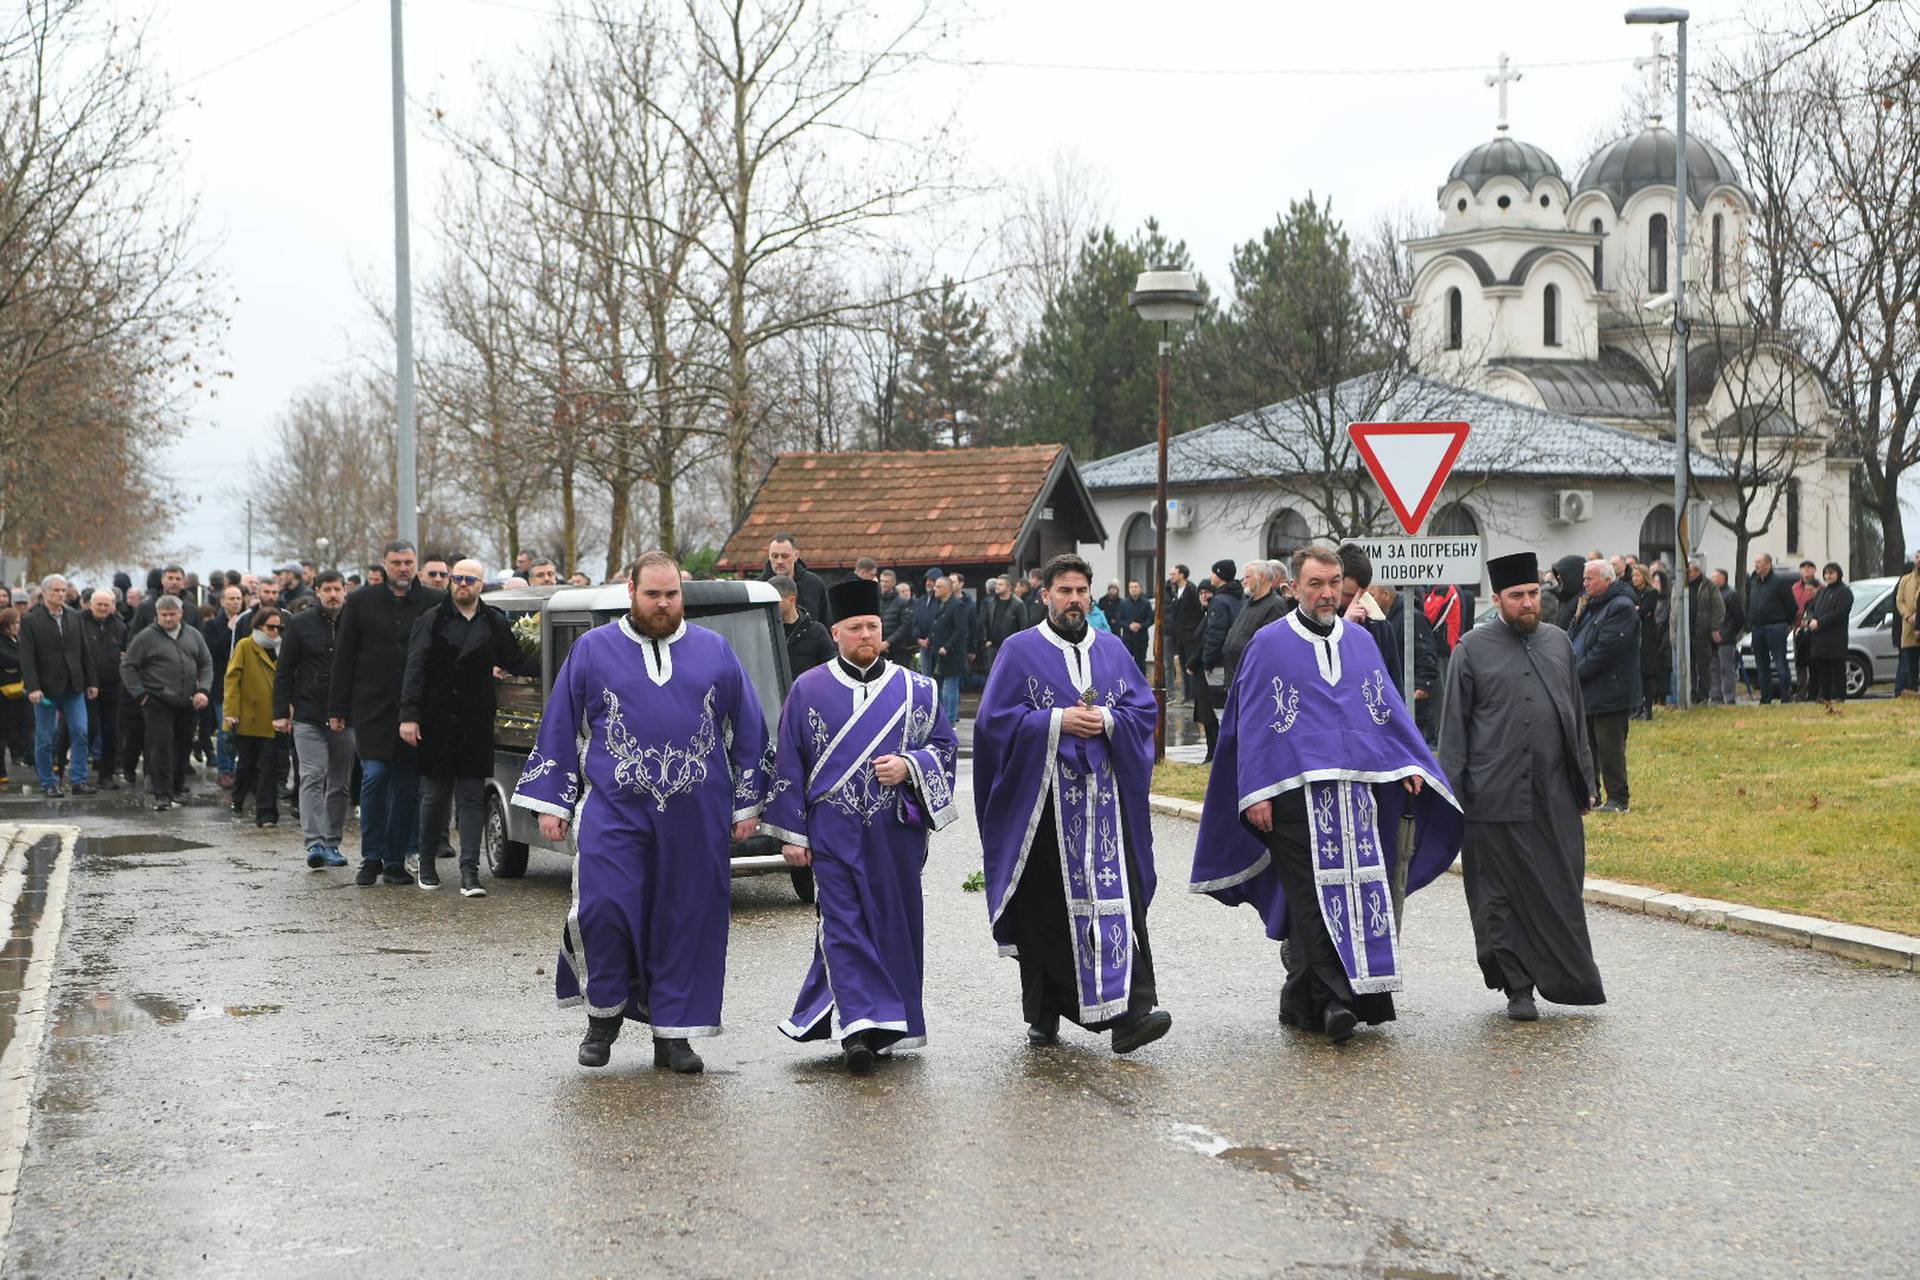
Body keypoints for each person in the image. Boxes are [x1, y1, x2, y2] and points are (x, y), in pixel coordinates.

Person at [1190, 545, 1464, 1044]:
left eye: (1334, 582)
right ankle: (1336, 1001)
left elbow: (1383, 710)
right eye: (1316, 583)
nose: (1327, 593)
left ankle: (1309, 999)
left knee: (1361, 890)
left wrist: (1408, 763)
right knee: (1310, 897)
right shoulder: (1269, 644)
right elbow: (1249, 723)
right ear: (1294, 587)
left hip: (1357, 798)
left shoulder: (1359, 641)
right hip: (1293, 796)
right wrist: (1255, 791)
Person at [511, 551, 769, 1073]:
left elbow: (750, 729)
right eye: (653, 594)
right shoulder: (593, 649)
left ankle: (672, 1036)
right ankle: (603, 1017)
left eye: (672, 595)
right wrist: (552, 802)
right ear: (631, 591)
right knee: (604, 909)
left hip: (696, 818)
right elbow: (560, 722)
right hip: (615, 811)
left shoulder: (715, 651)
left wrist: (748, 803)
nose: (663, 604)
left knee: (684, 920)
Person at [971, 553, 1172, 1055]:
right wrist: (1056, 720)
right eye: (1064, 591)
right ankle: (1043, 1015)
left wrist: (1106, 719)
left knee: (1116, 903)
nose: (1075, 600)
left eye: (1082, 591)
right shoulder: (1019, 651)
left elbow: (1141, 708)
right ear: (1045, 596)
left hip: (1104, 806)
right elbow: (995, 723)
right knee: (1045, 914)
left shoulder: (1111, 649)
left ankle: (1131, 1014)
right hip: (1043, 809)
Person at [765, 578, 959, 1074]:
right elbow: (790, 764)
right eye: (856, 627)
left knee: (893, 927)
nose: (867, 635)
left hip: (894, 836)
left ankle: (883, 1026)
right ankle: (857, 1030)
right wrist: (793, 836)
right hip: (833, 835)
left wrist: (911, 767)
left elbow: (944, 749)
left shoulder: (918, 690)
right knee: (844, 928)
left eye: (873, 626)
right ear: (837, 632)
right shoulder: (807, 689)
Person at [1439, 551, 1607, 1021]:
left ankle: (1564, 978)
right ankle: (1517, 985)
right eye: (1517, 597)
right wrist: (1450, 797)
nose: (1528, 604)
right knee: (1499, 897)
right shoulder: (1471, 648)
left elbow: (1576, 717)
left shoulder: (1557, 642)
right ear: (1497, 600)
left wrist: (1585, 782)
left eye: (1533, 594)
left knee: (1559, 888)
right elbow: (1454, 730)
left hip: (1553, 795)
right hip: (1492, 795)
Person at [399, 559, 538, 895]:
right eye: (457, 578)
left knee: (472, 797)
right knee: (434, 796)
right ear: (449, 582)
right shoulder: (430, 620)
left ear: (481, 584)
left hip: (475, 719)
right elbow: (414, 668)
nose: (462, 584)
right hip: (436, 718)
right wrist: (409, 715)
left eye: (469, 580)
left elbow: (515, 660)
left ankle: (469, 873)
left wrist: (560, 660)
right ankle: (428, 864)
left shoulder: (492, 621)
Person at [329, 540, 446, 886]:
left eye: (408, 562)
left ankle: (395, 859)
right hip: (371, 707)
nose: (403, 568)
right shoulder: (361, 602)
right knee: (375, 776)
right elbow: (345, 656)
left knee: (407, 785)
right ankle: (371, 856)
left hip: (416, 708)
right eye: (396, 562)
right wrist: (337, 707)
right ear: (384, 564)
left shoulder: (433, 602)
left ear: (416, 564)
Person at [276, 571, 353, 869]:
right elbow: (285, 669)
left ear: (345, 590)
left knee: (340, 782)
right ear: (317, 591)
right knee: (312, 775)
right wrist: (281, 712)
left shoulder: (354, 623)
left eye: (338, 589)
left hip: (346, 715)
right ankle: (315, 843)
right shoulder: (299, 624)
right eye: (327, 590)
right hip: (308, 714)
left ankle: (332, 841)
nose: (333, 594)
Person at [120, 595, 212, 811]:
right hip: (157, 699)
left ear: (181, 614)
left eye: (172, 614)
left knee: (183, 744)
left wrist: (204, 690)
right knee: (160, 746)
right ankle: (162, 793)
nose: (169, 619)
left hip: (188, 699)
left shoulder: (193, 634)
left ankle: (178, 789)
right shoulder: (145, 638)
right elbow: (128, 666)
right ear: (157, 615)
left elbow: (206, 663)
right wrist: (140, 695)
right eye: (164, 615)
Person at [1568, 559, 1639, 813]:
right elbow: (1574, 639)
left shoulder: (1621, 607)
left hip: (1611, 690)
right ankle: (1592, 795)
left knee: (1610, 747)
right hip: (1589, 690)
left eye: (1590, 579)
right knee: (1587, 746)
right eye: (1584, 579)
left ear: (1608, 580)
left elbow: (1606, 651)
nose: (1585, 583)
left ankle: (1618, 799)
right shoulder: (1590, 606)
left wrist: (1575, 673)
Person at [19, 575, 96, 798]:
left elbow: (84, 651)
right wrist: (32, 687)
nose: (61, 594)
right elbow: (27, 658)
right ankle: (48, 782)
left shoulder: (75, 616)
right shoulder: (31, 620)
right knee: (46, 737)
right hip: (46, 689)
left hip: (74, 686)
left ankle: (79, 780)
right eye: (55, 590)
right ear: (44, 593)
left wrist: (91, 681)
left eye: (63, 590)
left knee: (81, 731)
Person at [224, 606, 285, 827]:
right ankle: (238, 799)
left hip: (273, 718)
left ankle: (267, 814)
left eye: (279, 627)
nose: (275, 631)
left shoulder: (282, 648)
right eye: (271, 627)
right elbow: (232, 679)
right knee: (247, 764)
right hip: (248, 716)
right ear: (259, 626)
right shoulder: (245, 645)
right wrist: (231, 711)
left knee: (269, 766)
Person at [1190, 559, 1243, 762]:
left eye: (1213, 573)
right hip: (1231, 661)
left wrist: (1207, 661)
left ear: (1219, 575)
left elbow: (1215, 634)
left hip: (1217, 664)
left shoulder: (1220, 602)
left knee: (1219, 712)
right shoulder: (1237, 598)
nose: (1211, 577)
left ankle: (1222, 757)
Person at [81, 588, 127, 790]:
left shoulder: (119, 626)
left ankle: (105, 776)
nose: (102, 608)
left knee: (111, 733)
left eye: (106, 604)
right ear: (90, 605)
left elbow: (125, 653)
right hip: (86, 686)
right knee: (87, 731)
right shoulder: (79, 623)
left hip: (112, 686)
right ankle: (76, 773)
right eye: (99, 604)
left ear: (112, 606)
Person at [1746, 554, 1798, 704]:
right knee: (1762, 664)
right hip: (1757, 628)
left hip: (1775, 626)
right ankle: (1765, 697)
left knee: (1780, 662)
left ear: (1768, 564)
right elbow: (1749, 602)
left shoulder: (1779, 582)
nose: (1756, 565)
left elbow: (1791, 605)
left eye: (1759, 562)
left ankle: (1785, 696)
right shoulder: (1754, 582)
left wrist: (1787, 622)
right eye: (1755, 562)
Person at [1805, 562, 1853, 710]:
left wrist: (1820, 623)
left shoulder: (1844, 592)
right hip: (1820, 638)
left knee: (1837, 668)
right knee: (1822, 668)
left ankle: (1840, 696)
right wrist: (1811, 619)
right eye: (1826, 573)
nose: (1828, 576)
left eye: (1831, 573)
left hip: (1835, 637)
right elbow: (1811, 608)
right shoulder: (1821, 592)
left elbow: (1838, 613)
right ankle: (1824, 696)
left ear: (1838, 574)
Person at [926, 571, 972, 726]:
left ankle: (950, 720)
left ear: (947, 589)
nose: (934, 589)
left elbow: (961, 630)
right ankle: (941, 719)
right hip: (938, 653)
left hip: (952, 654)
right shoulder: (940, 604)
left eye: (938, 586)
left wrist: (947, 646)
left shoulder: (957, 606)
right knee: (938, 687)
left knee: (950, 687)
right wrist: (930, 640)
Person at [1682, 559, 1725, 705]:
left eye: (1690, 571)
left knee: (1703, 666)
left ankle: (1704, 694)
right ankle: (1691, 693)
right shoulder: (1682, 585)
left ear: (1697, 571)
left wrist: (1714, 627)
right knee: (1688, 665)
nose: (1687, 574)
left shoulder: (1709, 586)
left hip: (1702, 633)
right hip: (1686, 633)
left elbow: (1719, 609)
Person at [771, 574, 832, 677]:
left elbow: (831, 669)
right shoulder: (765, 631)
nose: (771, 606)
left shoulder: (816, 632)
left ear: (791, 600)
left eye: (775, 602)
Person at [762, 532, 828, 622]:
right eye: (775, 556)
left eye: (785, 556)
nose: (779, 561)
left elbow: (827, 622)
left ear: (796, 555)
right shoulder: (759, 587)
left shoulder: (814, 584)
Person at [1631, 565, 1669, 720]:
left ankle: (1648, 709)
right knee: (1637, 676)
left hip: (1647, 639)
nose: (1635, 579)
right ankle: (1638, 708)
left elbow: (1643, 611)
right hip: (1635, 639)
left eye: (1638, 576)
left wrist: (1637, 609)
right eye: (1633, 576)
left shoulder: (1651, 593)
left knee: (1647, 676)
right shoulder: (1633, 593)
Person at [0, 610, 30, 785]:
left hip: (18, 691)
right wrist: (22, 662)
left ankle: (26, 755)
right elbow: (8, 659)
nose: (16, 627)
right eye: (13, 623)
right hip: (4, 693)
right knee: (3, 733)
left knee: (22, 729)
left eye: (18, 623)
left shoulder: (18, 640)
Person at [1164, 565, 1202, 702]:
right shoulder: (1175, 590)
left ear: (1182, 574)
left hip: (1190, 634)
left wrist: (1194, 630)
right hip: (1179, 635)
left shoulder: (1191, 589)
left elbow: (1198, 611)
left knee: (1190, 664)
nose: (1171, 576)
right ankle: (1186, 695)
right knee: (1183, 664)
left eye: (1174, 574)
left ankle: (1193, 695)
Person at [1710, 569, 1747, 705]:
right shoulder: (1713, 594)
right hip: (1712, 638)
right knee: (1714, 669)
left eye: (1715, 577)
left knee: (1726, 669)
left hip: (1725, 639)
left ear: (1723, 578)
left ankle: (1729, 697)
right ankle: (1716, 697)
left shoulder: (1730, 595)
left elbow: (1739, 617)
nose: (1712, 579)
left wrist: (1728, 632)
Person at [1892, 549, 1920, 697]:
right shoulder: (1905, 580)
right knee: (1911, 663)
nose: (1918, 559)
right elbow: (1899, 600)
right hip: (1909, 627)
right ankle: (1912, 691)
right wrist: (1909, 616)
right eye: (1917, 556)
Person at [1115, 579, 1154, 673]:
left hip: (1142, 638)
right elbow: (1119, 620)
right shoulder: (1123, 603)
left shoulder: (1146, 603)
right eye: (1131, 587)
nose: (1133, 589)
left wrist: (1141, 626)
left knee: (1140, 663)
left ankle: (1141, 685)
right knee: (1126, 662)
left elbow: (1151, 619)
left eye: (1135, 587)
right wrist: (1129, 626)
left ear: (1140, 588)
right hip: (1128, 638)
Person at [882, 579, 918, 667]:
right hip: (895, 645)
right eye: (903, 591)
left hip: (911, 645)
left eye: (908, 590)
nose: (906, 593)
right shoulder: (892, 605)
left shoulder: (917, 604)